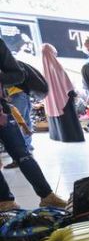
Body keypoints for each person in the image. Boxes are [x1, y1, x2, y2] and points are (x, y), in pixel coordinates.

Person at [0, 39, 67, 210]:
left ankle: (47, 195)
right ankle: (5, 202)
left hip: (2, 112)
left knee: (22, 154)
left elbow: (17, 74)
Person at [41, 44, 85, 143]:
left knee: (57, 116)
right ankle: (72, 137)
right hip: (63, 97)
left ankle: (58, 136)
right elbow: (66, 82)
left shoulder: (44, 67)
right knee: (68, 117)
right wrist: (72, 92)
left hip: (52, 99)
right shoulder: (56, 66)